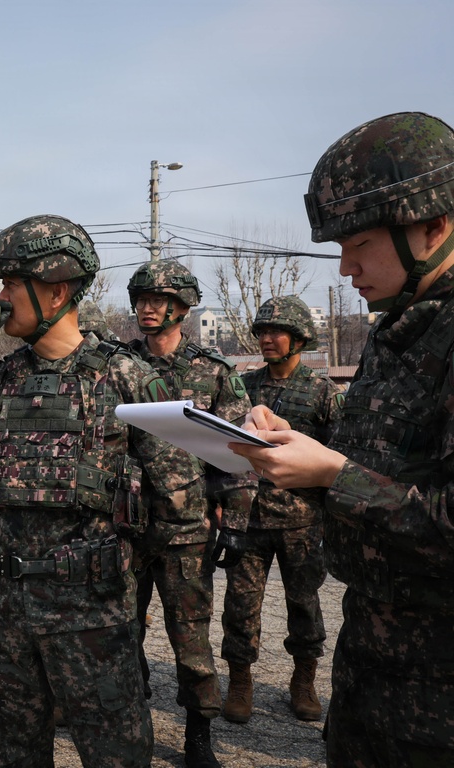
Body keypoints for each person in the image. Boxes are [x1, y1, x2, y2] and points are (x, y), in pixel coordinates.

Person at [0, 214, 204, 768]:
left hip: (91, 617)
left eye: (12, 284)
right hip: (2, 616)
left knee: (116, 755)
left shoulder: (127, 377)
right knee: (10, 754)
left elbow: (180, 502)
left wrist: (121, 570)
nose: (0, 298)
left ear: (57, 290)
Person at [231, 111, 454, 766]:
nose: (346, 267)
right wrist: (298, 451)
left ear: (433, 226)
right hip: (372, 682)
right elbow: (387, 472)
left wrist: (333, 474)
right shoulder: (400, 330)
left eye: (360, 243)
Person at [126, 260, 256, 768]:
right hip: (125, 527)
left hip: (187, 529)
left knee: (191, 639)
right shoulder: (119, 365)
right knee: (119, 630)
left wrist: (236, 524)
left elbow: (241, 451)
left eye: (159, 300)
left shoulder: (214, 372)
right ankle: (127, 719)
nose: (148, 308)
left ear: (182, 307)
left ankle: (198, 735)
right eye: (142, 299)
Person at [220, 295, 341, 725]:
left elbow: (339, 455)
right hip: (249, 518)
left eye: (277, 332)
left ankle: (304, 680)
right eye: (262, 332)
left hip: (301, 520)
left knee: (304, 603)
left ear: (300, 339)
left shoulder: (322, 391)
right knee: (240, 604)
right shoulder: (242, 388)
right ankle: (239, 681)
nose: (267, 339)